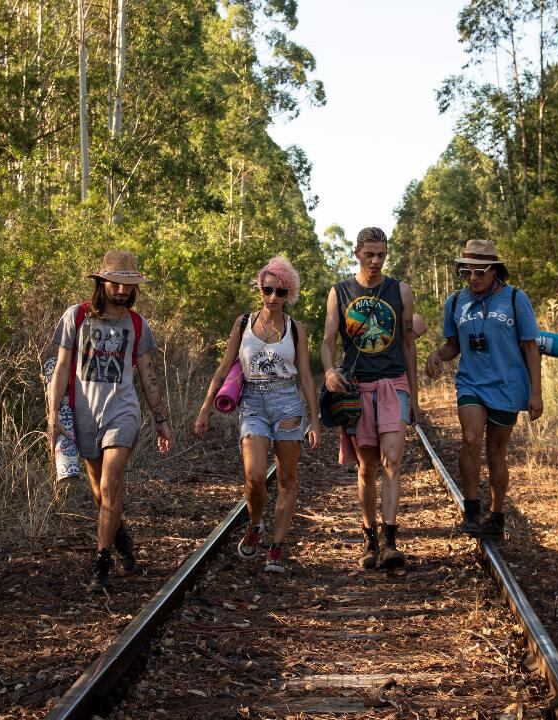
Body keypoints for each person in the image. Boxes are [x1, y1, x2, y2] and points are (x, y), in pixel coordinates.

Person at [48, 250, 174, 593]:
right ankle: (120, 537)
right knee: (100, 494)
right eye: (116, 283)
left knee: (110, 484)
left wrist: (160, 418)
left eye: (128, 285)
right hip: (85, 413)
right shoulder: (76, 317)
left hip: (123, 411)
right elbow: (60, 368)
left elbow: (148, 374)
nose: (121, 290)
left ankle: (101, 563)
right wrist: (52, 414)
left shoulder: (137, 325)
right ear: (101, 282)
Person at [195, 257, 321, 573]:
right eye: (268, 290)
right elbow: (224, 368)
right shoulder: (243, 324)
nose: (273, 298)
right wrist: (204, 409)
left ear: (288, 293)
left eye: (280, 292)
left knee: (287, 478)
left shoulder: (296, 329)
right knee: (254, 476)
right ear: (260, 289)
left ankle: (276, 547)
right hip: (253, 402)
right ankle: (255, 524)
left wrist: (314, 420)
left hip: (287, 403)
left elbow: (305, 375)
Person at [425, 239, 543, 538]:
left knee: (496, 453)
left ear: (495, 271)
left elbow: (530, 348)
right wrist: (438, 354)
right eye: (467, 273)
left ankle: (497, 514)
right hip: (471, 383)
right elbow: (454, 346)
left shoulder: (516, 299)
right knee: (471, 437)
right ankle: (472, 506)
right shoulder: (455, 302)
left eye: (480, 272)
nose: (473, 279)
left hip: (508, 385)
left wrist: (536, 393)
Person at [322, 227, 418, 570]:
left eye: (381, 255)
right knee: (366, 468)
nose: (375, 261)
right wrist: (331, 371)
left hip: (394, 384)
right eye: (369, 255)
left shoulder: (400, 291)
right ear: (357, 254)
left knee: (393, 461)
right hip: (358, 389)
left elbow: (408, 345)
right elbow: (328, 340)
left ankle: (390, 542)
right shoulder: (340, 292)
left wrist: (415, 399)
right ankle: (369, 539)